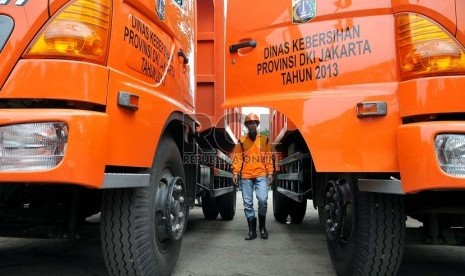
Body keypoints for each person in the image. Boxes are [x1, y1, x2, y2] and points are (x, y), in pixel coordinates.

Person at [232, 113, 274, 240]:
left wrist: (270, 172)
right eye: (249, 123)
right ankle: (252, 231)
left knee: (262, 200)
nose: (252, 125)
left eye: (254, 123)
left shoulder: (264, 140)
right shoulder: (241, 141)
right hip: (246, 176)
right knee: (247, 204)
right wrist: (235, 172)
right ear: (246, 125)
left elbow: (268, 158)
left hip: (261, 174)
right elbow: (238, 158)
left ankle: (262, 228)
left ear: (257, 125)